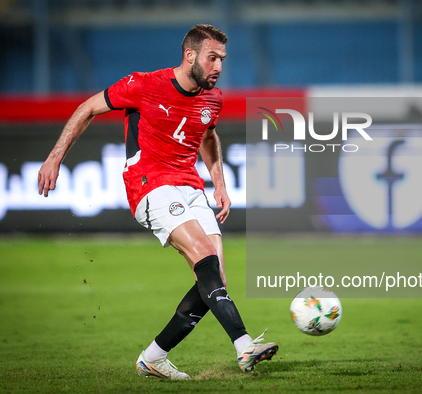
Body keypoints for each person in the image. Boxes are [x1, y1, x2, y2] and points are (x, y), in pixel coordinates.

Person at [37, 24, 278, 380]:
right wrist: (55, 157)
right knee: (205, 258)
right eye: (212, 58)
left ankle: (153, 357)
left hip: (191, 186)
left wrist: (220, 184)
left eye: (222, 60)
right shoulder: (143, 84)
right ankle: (244, 346)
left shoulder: (214, 99)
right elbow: (88, 108)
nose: (218, 67)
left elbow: (208, 137)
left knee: (215, 279)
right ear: (190, 55)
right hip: (149, 184)